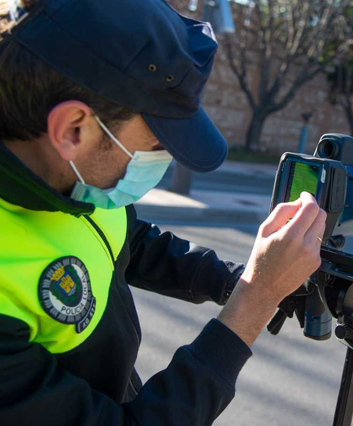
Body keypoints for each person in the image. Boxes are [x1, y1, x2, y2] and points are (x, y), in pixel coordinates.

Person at [0, 0, 326, 424]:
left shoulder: (71, 180)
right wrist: (254, 301)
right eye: (157, 141)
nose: (164, 157)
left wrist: (235, 279)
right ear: (73, 129)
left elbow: (128, 240)